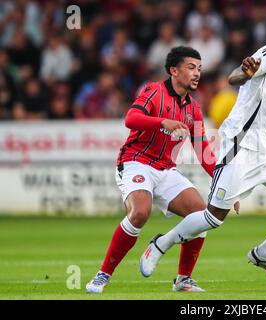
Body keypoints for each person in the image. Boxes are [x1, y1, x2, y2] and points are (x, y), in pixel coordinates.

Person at [140, 13, 266, 283]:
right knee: (214, 217)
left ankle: (265, 254)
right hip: (241, 142)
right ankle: (160, 244)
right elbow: (236, 77)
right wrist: (244, 72)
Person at [86, 46, 232, 293]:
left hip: (165, 169)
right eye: (191, 67)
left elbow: (204, 153)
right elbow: (130, 119)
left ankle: (183, 279)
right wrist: (161, 121)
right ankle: (102, 275)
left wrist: (226, 184)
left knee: (201, 215)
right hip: (135, 161)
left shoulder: (193, 109)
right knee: (140, 213)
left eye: (199, 68)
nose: (197, 73)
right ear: (173, 70)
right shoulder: (154, 91)